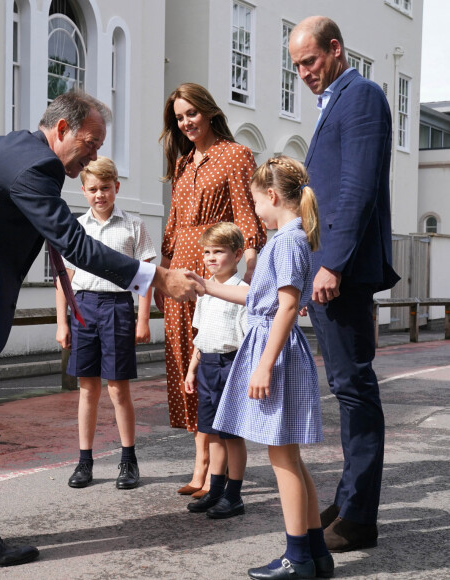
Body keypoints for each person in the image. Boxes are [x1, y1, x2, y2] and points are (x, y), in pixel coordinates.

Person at [0, 91, 201, 569]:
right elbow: (74, 244)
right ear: (63, 130)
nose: (94, 154)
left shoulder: (13, 148)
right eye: (90, 143)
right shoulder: (36, 167)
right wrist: (157, 277)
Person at [289, 16, 400, 552]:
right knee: (348, 388)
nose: (304, 73)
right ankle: (349, 499)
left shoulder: (362, 95)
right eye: (297, 66)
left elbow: (355, 189)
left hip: (343, 272)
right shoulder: (338, 99)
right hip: (333, 269)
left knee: (355, 391)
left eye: (310, 61)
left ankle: (358, 516)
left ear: (336, 49)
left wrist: (329, 264)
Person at [196, 156, 333, 580]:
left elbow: (288, 306)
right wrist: (205, 286)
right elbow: (261, 301)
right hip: (269, 345)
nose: (255, 211)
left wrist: (264, 366)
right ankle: (314, 555)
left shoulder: (287, 241)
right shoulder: (286, 238)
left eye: (256, 203)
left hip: (274, 352)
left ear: (272, 197)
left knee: (282, 459)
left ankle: (297, 559)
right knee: (288, 456)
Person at [156, 82, 267, 498]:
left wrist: (252, 261)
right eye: (179, 117)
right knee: (187, 366)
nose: (185, 123)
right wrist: (162, 273)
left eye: (191, 114)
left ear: (208, 111)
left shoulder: (235, 155)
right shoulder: (184, 163)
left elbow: (247, 214)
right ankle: (200, 459)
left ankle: (212, 466)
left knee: (212, 364)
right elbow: (171, 225)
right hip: (178, 275)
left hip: (213, 272)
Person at [55, 156, 156, 491]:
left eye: (106, 188)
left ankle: (128, 459)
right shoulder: (76, 228)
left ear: (117, 187)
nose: (100, 194)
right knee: (88, 388)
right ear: (83, 191)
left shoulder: (133, 226)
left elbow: (145, 277)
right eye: (93, 189)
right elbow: (64, 281)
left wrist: (143, 318)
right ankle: (85, 461)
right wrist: (62, 323)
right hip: (83, 307)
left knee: (117, 388)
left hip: (117, 307)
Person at [183, 223, 248, 519]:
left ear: (236, 255)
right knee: (210, 433)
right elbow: (201, 336)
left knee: (231, 435)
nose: (210, 257)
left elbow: (248, 339)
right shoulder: (204, 291)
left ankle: (234, 496)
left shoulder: (243, 292)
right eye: (207, 251)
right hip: (208, 365)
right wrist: (192, 370)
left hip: (231, 365)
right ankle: (215, 490)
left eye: (218, 252)